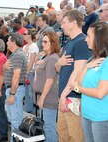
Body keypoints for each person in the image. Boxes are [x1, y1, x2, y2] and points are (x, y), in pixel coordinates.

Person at [55, 10, 92, 142]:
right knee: (62, 135)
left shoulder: (82, 42)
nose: (62, 26)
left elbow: (78, 71)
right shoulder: (69, 43)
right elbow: (58, 69)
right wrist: (58, 63)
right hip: (64, 97)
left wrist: (64, 95)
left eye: (64, 22)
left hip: (74, 98)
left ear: (73, 23)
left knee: (75, 137)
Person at [69, 22, 108, 142]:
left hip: (101, 118)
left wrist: (78, 89)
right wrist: (86, 67)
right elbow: (76, 81)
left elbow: (100, 93)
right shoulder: (92, 60)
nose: (86, 40)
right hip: (86, 115)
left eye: (89, 36)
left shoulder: (106, 63)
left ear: (99, 38)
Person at [33, 31, 59, 142]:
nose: (42, 44)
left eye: (45, 41)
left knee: (49, 128)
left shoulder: (52, 58)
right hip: (43, 97)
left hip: (48, 97)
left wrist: (42, 99)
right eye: (42, 41)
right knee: (46, 127)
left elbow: (49, 80)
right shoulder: (47, 57)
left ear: (53, 43)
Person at [4, 33, 27, 142]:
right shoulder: (14, 54)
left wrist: (12, 94)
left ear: (14, 42)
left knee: (16, 120)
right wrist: (4, 67)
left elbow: (16, 75)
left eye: (8, 40)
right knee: (13, 119)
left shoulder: (17, 55)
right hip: (13, 90)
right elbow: (5, 72)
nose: (7, 42)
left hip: (15, 91)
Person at [22, 29, 39, 113]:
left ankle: (32, 110)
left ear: (29, 35)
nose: (23, 35)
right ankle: (28, 109)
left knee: (30, 92)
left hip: (30, 72)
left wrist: (27, 73)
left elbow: (31, 60)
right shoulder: (25, 47)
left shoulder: (34, 46)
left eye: (25, 34)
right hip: (24, 71)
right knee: (26, 92)